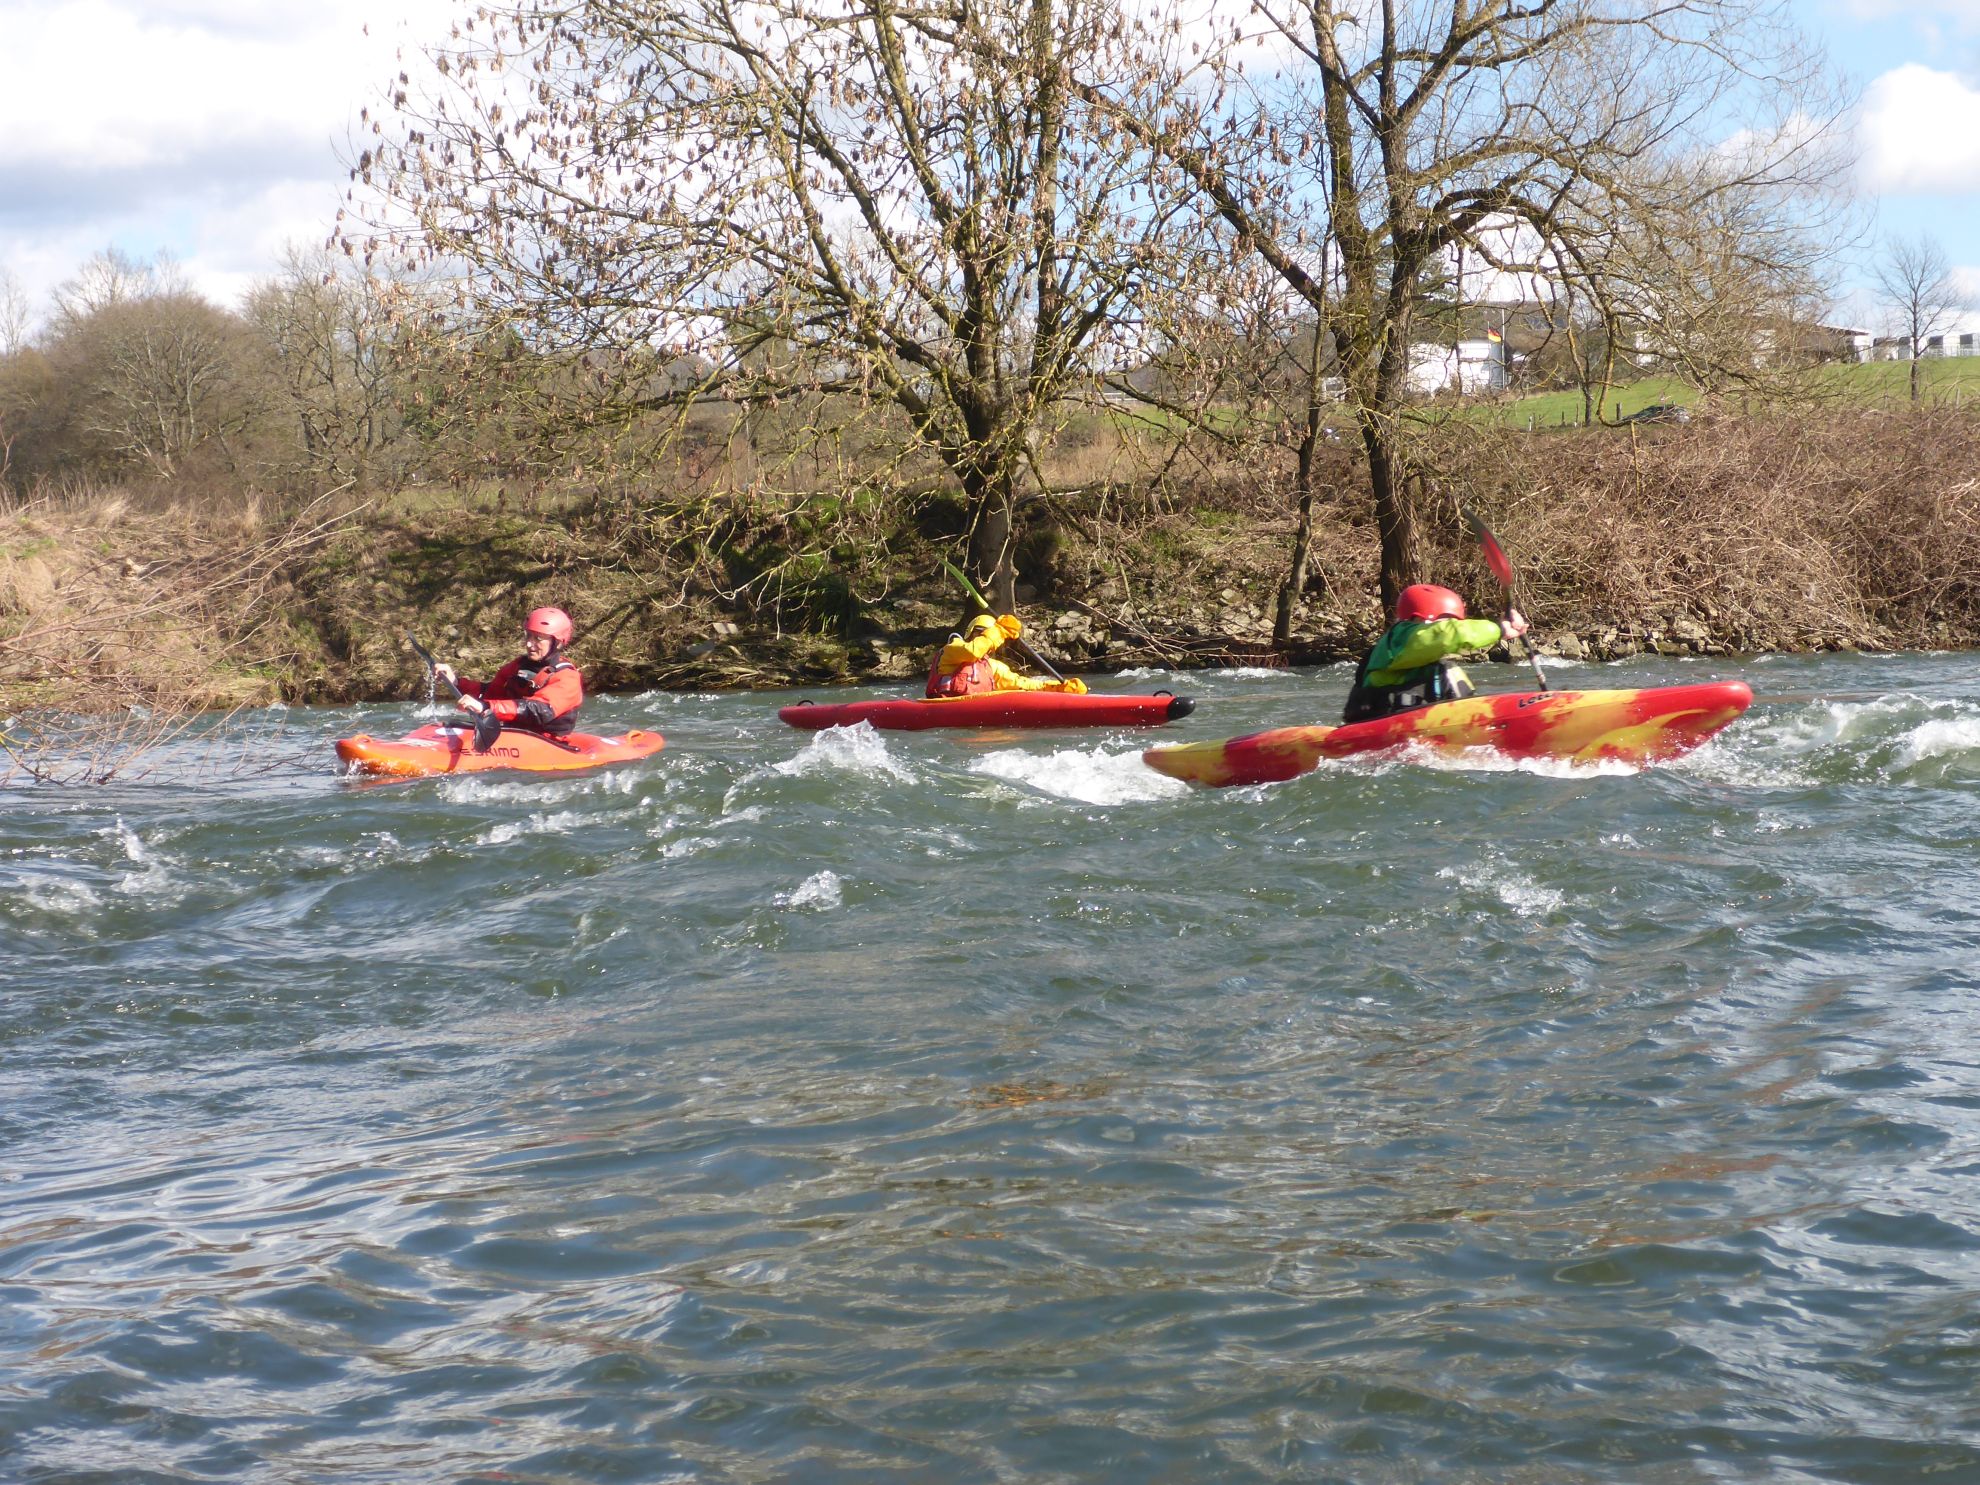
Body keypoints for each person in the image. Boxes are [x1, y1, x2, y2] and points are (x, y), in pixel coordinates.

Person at [1342, 584, 1529, 723]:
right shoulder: (1400, 639)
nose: (1452, 625)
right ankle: (1472, 722)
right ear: (1421, 619)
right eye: (1447, 621)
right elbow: (1447, 634)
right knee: (1449, 672)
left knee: (1445, 671)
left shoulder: (1414, 650)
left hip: (1412, 727)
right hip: (1381, 726)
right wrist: (1498, 629)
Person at [433, 606, 584, 748]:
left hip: (548, 745)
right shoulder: (518, 665)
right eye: (529, 636)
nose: (530, 644)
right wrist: (456, 682)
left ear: (557, 643)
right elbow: (490, 693)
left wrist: (486, 707)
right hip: (514, 738)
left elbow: (537, 710)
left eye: (538, 638)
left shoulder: (567, 677)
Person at [926, 612, 1087, 698]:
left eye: (987, 634)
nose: (985, 637)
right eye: (981, 633)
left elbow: (1022, 684)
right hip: (944, 706)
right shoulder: (952, 649)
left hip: (974, 711)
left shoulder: (992, 667)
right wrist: (998, 630)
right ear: (971, 633)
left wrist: (1059, 688)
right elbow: (973, 651)